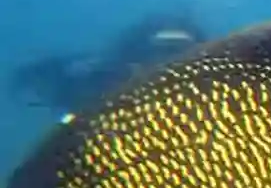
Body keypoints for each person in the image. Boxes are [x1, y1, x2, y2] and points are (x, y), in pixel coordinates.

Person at [8, 10, 207, 115]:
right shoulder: (105, 81)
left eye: (182, 53)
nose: (172, 63)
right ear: (137, 60)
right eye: (162, 51)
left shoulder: (208, 90)